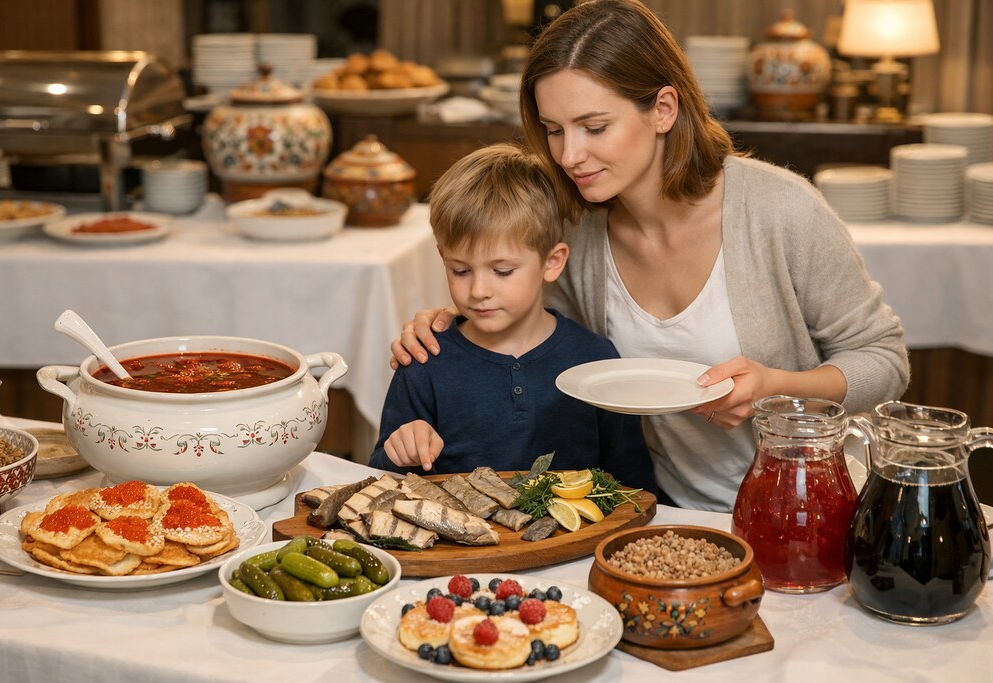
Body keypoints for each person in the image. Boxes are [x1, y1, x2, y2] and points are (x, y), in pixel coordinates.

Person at [389, 0, 908, 511]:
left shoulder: (781, 210)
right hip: (664, 511)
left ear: (663, 109)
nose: (568, 155)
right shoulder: (578, 230)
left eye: (594, 128)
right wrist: (449, 327)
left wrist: (778, 389)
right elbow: (527, 326)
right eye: (553, 130)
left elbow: (884, 360)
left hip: (806, 508)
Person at [368, 143, 656, 493]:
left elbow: (633, 483)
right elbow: (380, 477)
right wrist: (399, 452)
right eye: (460, 270)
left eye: (502, 271)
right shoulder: (424, 361)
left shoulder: (596, 358)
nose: (478, 290)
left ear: (552, 262)